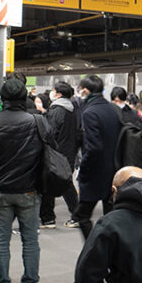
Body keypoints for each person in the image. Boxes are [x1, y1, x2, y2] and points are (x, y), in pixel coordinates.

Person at [0, 78, 45, 283]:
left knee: (0, 242)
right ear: (25, 97)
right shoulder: (37, 122)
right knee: (31, 241)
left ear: (2, 98)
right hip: (28, 190)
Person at [66, 75, 121, 237]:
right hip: (114, 171)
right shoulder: (113, 109)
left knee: (81, 215)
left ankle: (94, 250)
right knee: (111, 216)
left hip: (96, 173)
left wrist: (83, 171)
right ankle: (112, 252)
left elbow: (93, 148)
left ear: (86, 90)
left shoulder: (90, 112)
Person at [40, 81, 80, 230]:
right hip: (69, 153)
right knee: (64, 183)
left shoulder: (56, 110)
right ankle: (74, 216)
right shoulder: (73, 109)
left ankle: (48, 218)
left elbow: (49, 133)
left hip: (55, 153)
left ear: (58, 94)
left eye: (53, 90)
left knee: (51, 184)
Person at [111, 86, 142, 170]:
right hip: (112, 153)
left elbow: (139, 135)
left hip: (128, 153)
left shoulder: (133, 114)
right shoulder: (107, 112)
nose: (117, 103)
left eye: (120, 101)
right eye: (115, 101)